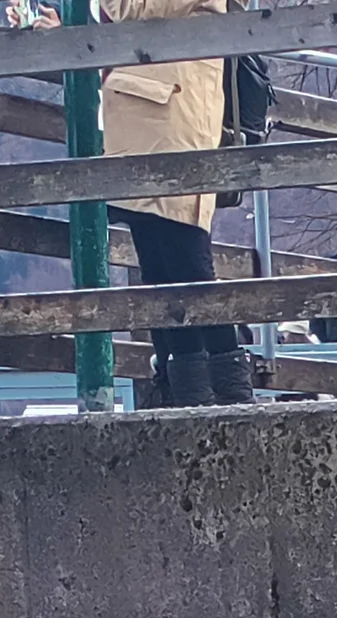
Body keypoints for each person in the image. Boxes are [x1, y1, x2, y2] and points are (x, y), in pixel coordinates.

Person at [102, 0, 256, 403]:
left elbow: (134, 8)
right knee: (159, 262)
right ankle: (188, 387)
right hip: (150, 109)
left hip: (170, 110)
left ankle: (219, 388)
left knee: (183, 259)